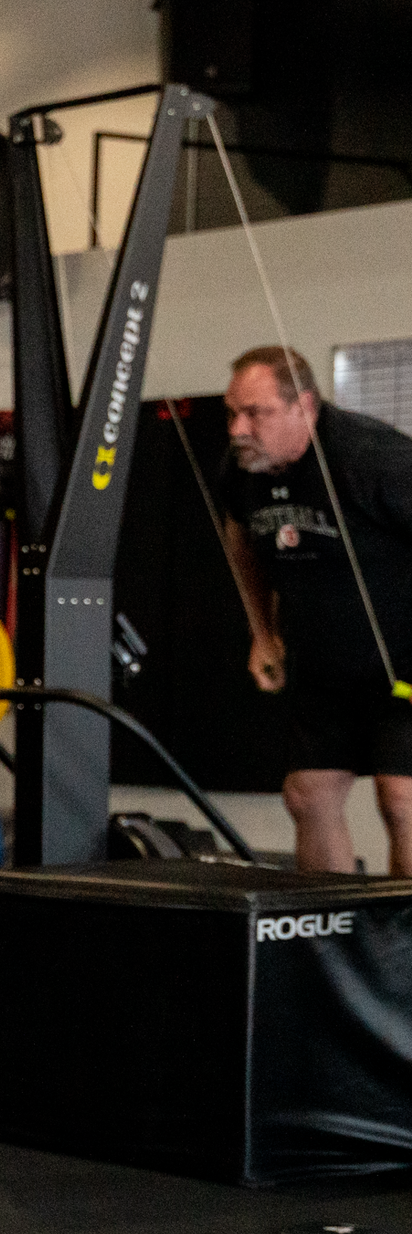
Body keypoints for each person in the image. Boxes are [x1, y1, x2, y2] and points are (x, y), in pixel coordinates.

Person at [216, 345, 412, 873]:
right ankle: (337, 951)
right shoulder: (246, 467)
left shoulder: (375, 458)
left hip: (404, 667)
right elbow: (240, 540)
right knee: (308, 795)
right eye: (233, 412)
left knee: (403, 801)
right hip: (324, 665)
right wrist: (262, 632)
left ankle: (401, 953)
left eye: (255, 413)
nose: (238, 428)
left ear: (304, 406)